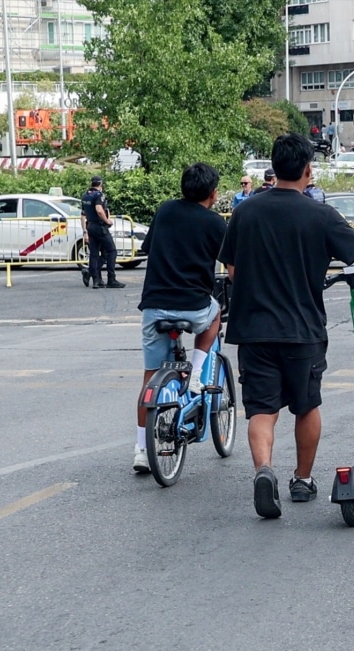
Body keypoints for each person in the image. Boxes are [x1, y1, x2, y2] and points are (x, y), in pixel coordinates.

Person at [218, 133, 354, 520]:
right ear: (308, 170)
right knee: (306, 405)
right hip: (302, 329)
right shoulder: (321, 215)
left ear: (273, 168)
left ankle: (264, 470)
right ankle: (302, 479)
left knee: (261, 410)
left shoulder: (245, 212)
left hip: (253, 329)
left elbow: (233, 270)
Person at [132, 162, 227, 473]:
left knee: (150, 377)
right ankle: (196, 373)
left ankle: (141, 450)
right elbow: (230, 261)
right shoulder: (215, 223)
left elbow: (150, 248)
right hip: (194, 306)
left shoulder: (165, 211)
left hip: (154, 306)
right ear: (213, 193)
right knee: (215, 314)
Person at [81, 176, 125, 289]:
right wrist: (107, 221)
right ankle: (111, 279)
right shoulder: (99, 195)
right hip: (100, 227)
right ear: (100, 184)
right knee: (112, 251)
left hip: (90, 226)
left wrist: (85, 231)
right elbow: (99, 210)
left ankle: (96, 280)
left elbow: (83, 215)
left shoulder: (85, 196)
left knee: (94, 254)